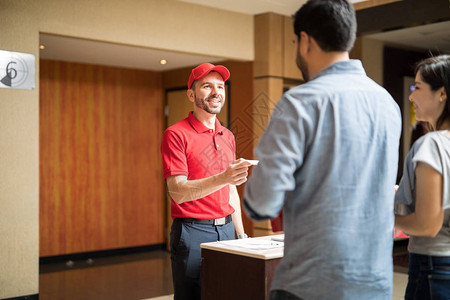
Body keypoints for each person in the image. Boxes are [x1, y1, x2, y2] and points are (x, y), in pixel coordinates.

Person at [243, 0, 402, 299]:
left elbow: (261, 204)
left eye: (293, 42)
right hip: (375, 283)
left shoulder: (299, 103)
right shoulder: (388, 104)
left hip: (310, 284)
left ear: (305, 40)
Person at [161, 62, 251, 300]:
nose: (216, 92)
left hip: (228, 230)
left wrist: (241, 235)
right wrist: (224, 177)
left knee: (225, 293)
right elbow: (177, 191)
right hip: (192, 232)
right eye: (207, 86)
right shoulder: (176, 134)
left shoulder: (227, 135)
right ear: (191, 94)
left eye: (220, 87)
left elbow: (231, 190)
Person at [394, 54, 450, 300]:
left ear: (442, 93)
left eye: (418, 87)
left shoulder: (433, 144)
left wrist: (382, 213)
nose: (411, 95)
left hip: (434, 268)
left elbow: (428, 225)